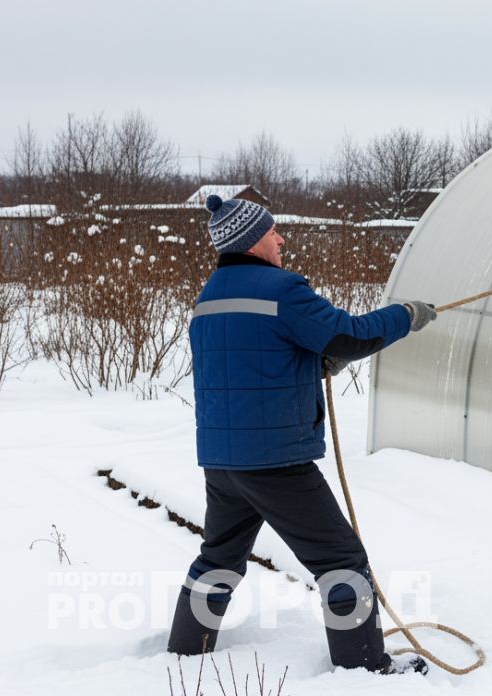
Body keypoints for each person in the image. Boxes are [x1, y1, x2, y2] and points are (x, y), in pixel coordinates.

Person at [166, 194, 438, 675]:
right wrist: (405, 316)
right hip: (275, 461)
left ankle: (187, 651)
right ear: (252, 241)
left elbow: (250, 362)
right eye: (273, 232)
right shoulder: (281, 289)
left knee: (219, 560)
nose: (281, 238)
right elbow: (351, 336)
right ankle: (365, 669)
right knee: (341, 560)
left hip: (224, 459)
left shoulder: (208, 296)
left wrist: (313, 362)